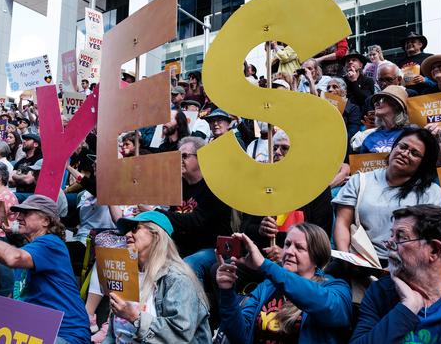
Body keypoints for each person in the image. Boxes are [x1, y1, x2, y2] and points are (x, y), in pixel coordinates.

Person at [0, 194, 90, 344]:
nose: (18, 217)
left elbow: (12, 257)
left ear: (46, 220)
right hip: (35, 332)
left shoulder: (51, 243)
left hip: (66, 333)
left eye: (26, 213)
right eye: (19, 213)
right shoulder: (28, 251)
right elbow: (17, 296)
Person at [350, 205, 441, 343]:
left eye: (401, 237)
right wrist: (407, 309)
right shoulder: (380, 291)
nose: (388, 244)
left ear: (434, 251)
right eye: (391, 235)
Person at [217, 225, 352, 343]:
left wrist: (265, 265)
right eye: (287, 244)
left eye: (299, 247)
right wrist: (227, 291)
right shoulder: (267, 287)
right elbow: (240, 336)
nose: (288, 251)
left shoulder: (336, 288)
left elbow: (323, 304)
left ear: (317, 256)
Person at [334, 128, 441, 266]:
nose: (405, 153)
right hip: (359, 260)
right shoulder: (360, 181)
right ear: (393, 147)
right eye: (403, 146)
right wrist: (346, 259)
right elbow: (342, 222)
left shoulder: (431, 192)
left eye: (414, 153)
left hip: (406, 266)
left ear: (424, 163)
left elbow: (431, 238)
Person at [105, 211, 211, 343]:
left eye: (134, 229)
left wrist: (134, 317)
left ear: (156, 235)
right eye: (126, 231)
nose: (127, 235)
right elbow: (113, 333)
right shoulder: (125, 274)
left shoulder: (177, 279)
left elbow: (179, 336)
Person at [148, 137, 232, 282]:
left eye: (184, 156)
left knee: (189, 265)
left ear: (201, 159)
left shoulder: (215, 186)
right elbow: (174, 220)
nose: (179, 160)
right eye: (178, 156)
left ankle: (196, 304)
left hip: (213, 249)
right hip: (184, 246)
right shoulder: (178, 186)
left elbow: (195, 221)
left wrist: (155, 212)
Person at [358, 85, 410, 153]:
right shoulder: (370, 137)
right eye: (376, 101)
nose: (376, 103)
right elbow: (362, 162)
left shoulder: (410, 134)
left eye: (381, 100)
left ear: (396, 105)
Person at [326, 77, 362, 143]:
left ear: (344, 91)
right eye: (328, 87)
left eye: (335, 87)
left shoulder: (353, 109)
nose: (330, 90)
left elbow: (352, 133)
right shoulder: (324, 108)